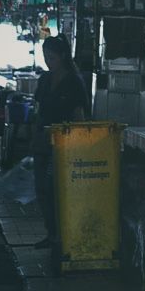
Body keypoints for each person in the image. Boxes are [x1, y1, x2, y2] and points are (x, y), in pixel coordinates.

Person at [31, 36, 88, 250]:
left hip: (64, 145)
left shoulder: (74, 82)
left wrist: (77, 144)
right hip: (43, 142)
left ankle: (62, 234)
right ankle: (51, 233)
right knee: (42, 190)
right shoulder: (45, 79)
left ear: (63, 56)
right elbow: (38, 111)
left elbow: (79, 115)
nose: (48, 62)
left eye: (52, 57)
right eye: (45, 57)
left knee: (58, 189)